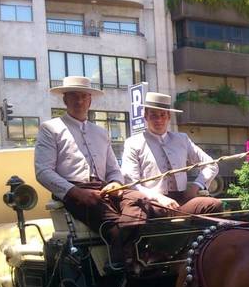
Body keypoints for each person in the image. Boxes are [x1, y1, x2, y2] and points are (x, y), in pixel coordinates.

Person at [34, 76, 158, 271]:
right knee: (114, 228)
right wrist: (76, 192)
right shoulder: (51, 129)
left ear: (90, 100)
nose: (79, 101)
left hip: (104, 189)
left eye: (83, 96)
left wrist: (116, 183)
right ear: (65, 100)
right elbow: (42, 171)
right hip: (75, 191)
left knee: (141, 199)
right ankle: (118, 269)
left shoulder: (100, 132)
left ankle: (132, 246)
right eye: (74, 96)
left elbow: (113, 169)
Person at [121, 92, 222, 216]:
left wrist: (196, 186)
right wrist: (158, 198)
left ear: (169, 116)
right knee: (150, 214)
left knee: (213, 204)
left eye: (163, 115)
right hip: (152, 203)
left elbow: (211, 164)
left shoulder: (182, 139)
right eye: (153, 115)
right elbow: (131, 183)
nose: (158, 119)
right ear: (145, 116)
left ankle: (201, 235)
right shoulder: (133, 143)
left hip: (182, 202)